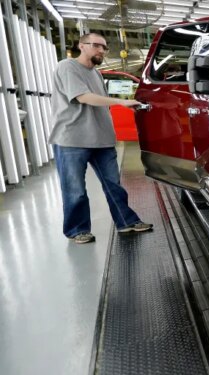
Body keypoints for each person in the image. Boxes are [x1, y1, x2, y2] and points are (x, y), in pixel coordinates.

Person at [48, 33, 153, 244]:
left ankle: (126, 222)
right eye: (96, 46)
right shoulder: (67, 67)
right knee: (75, 190)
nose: (101, 51)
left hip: (102, 139)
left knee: (114, 185)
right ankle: (77, 229)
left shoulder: (96, 74)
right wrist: (121, 102)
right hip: (72, 139)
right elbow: (82, 97)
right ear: (81, 46)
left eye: (104, 48)